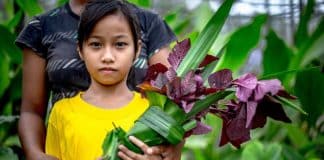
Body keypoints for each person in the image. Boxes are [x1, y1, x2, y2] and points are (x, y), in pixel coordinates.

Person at [15, 0, 182, 159]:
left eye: (120, 44)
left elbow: (175, 99)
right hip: (72, 136)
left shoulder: (149, 22)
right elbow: (31, 111)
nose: (107, 57)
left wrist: (170, 148)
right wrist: (36, 155)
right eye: (96, 44)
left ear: (137, 49)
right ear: (80, 49)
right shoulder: (42, 27)